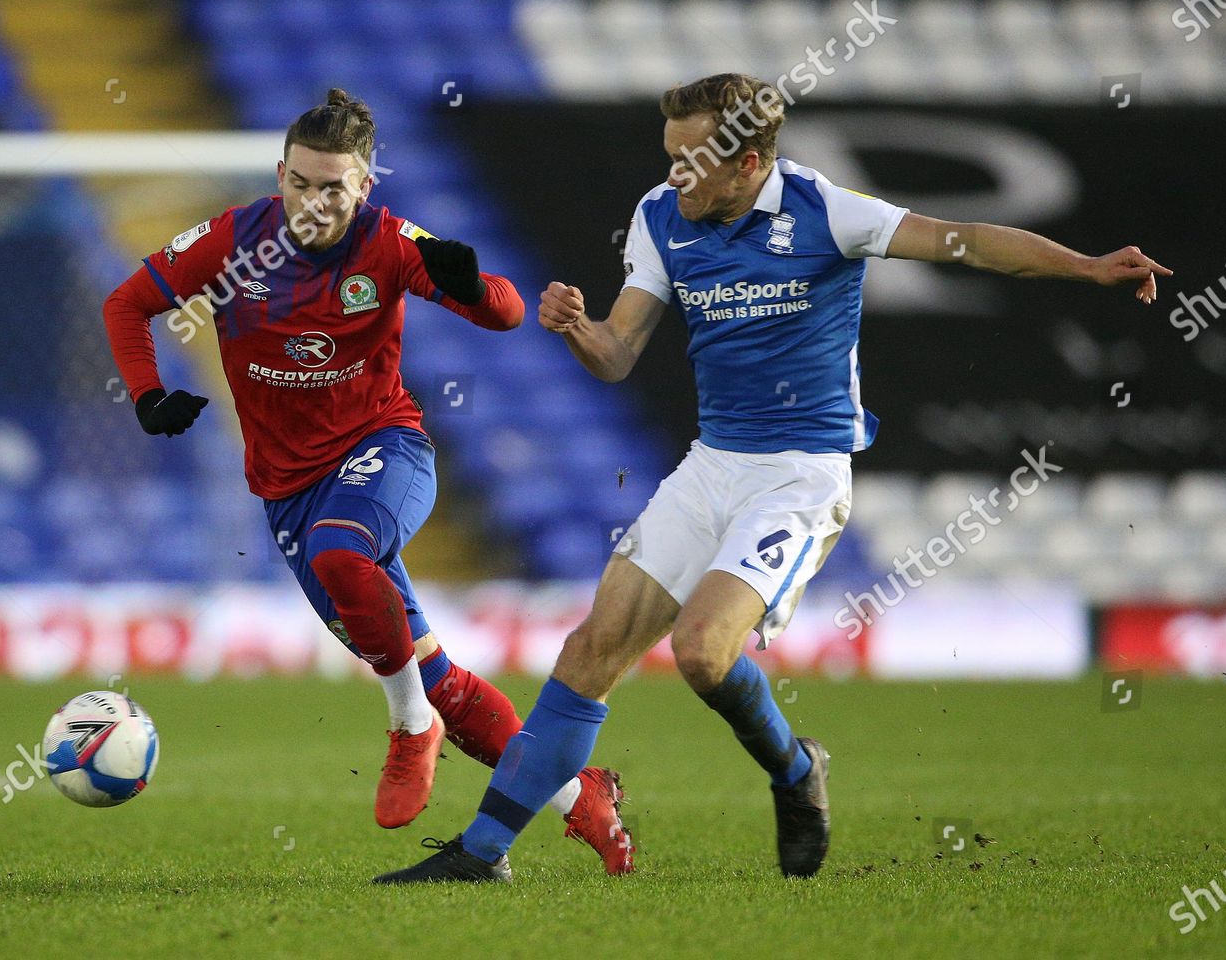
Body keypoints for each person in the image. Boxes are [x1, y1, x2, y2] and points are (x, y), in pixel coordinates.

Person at [374, 72, 1169, 884]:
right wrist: (579, 328)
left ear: (749, 162)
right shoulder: (659, 218)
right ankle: (480, 854)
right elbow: (617, 354)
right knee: (590, 650)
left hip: (799, 475)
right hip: (713, 462)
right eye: (669, 156)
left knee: (701, 653)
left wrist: (1089, 266)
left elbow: (962, 238)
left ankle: (795, 771)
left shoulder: (826, 211)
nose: (674, 174)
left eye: (692, 160)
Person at [102, 88, 633, 874]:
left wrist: (470, 283)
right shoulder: (232, 241)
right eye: (301, 183)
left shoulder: (388, 243)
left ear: (366, 187)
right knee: (440, 677)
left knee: (342, 553)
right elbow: (128, 304)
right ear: (278, 173)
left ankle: (409, 727)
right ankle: (578, 797)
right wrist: (146, 393)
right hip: (287, 493)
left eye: (335, 187)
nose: (316, 202)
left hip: (385, 450)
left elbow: (510, 313)